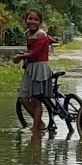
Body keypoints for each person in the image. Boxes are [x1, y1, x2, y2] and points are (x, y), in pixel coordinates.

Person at [15, 9, 53, 137]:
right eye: (30, 18)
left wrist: (20, 57)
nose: (32, 21)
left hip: (39, 69)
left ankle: (36, 130)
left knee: (36, 100)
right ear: (26, 20)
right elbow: (31, 51)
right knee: (23, 98)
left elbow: (35, 53)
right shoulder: (29, 34)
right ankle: (39, 124)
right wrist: (24, 57)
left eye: (36, 19)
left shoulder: (41, 34)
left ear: (40, 22)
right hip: (31, 68)